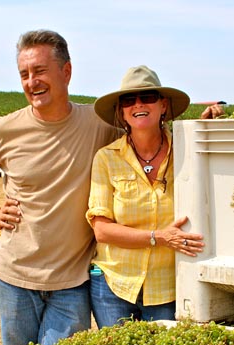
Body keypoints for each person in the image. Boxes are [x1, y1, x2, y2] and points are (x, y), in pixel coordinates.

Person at [0, 29, 116, 345]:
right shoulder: (3, 130)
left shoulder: (97, 123)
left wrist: (203, 123)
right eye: (24, 75)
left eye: (40, 71)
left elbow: (146, 133)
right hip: (15, 277)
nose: (32, 82)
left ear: (66, 71)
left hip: (71, 283)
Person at [86, 65, 205, 328]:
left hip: (168, 287)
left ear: (163, 105)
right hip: (113, 284)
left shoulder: (188, 154)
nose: (138, 104)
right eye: (129, 100)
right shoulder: (106, 158)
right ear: (121, 112)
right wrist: (159, 237)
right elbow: (102, 231)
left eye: (147, 97)